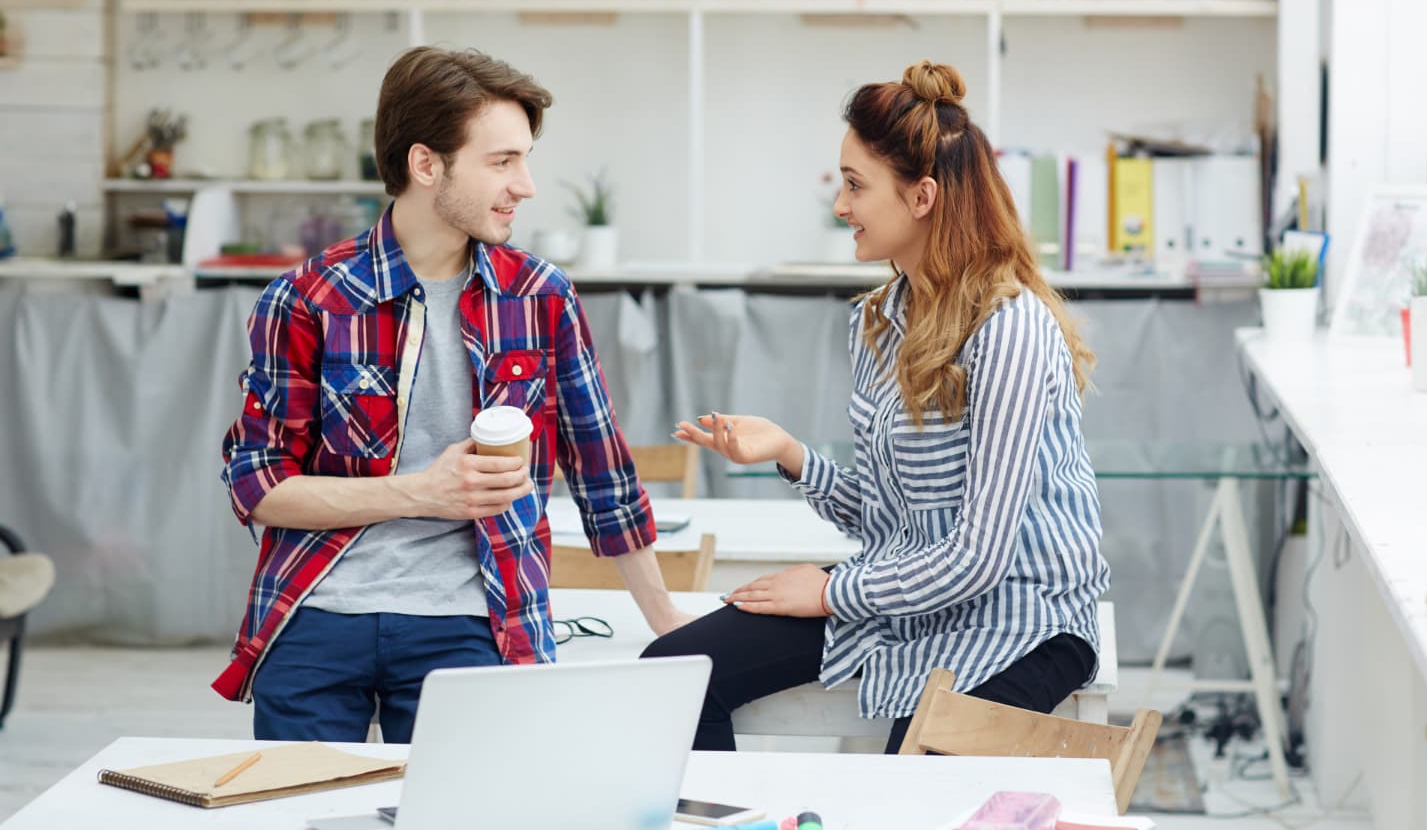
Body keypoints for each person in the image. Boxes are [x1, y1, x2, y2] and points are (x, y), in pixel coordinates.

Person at [216, 46, 693, 742]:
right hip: (318, 610)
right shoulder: (309, 299)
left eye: (525, 159)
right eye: (502, 162)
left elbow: (602, 474)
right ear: (425, 164)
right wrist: (422, 492)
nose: (525, 185)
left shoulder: (540, 298)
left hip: (474, 617)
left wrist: (664, 619)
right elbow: (257, 486)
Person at [644, 61, 1110, 754]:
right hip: (909, 592)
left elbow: (980, 558)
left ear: (921, 197)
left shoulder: (1011, 330)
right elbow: (899, 519)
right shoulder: (880, 317)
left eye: (855, 186)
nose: (841, 206)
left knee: (912, 778)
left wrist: (832, 593)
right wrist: (792, 456)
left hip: (1021, 614)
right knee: (673, 677)